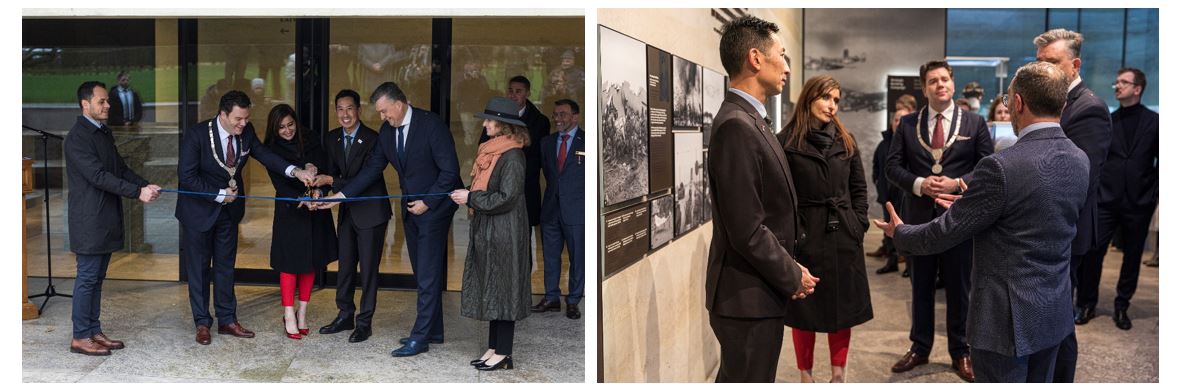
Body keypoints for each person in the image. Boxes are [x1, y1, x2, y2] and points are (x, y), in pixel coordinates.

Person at [876, 61, 1089, 382]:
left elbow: (946, 230)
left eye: (1008, 101)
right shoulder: (1079, 157)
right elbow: (1032, 212)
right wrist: (975, 202)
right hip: (1054, 313)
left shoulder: (1001, 167)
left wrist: (900, 233)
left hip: (1005, 323)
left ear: (1018, 103)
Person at [705, 15, 817, 383]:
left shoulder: (749, 119)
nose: (786, 67)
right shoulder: (738, 125)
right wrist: (792, 274)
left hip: (756, 292)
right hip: (745, 298)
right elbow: (747, 228)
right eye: (781, 56)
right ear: (755, 58)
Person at [318, 82, 462, 357]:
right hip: (411, 208)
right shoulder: (387, 132)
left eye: (385, 111)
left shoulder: (431, 125)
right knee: (423, 272)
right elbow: (373, 169)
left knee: (429, 273)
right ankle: (434, 330)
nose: (382, 117)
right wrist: (341, 196)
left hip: (434, 209)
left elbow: (450, 171)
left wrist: (428, 202)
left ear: (399, 103)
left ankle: (420, 338)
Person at [175, 90, 317, 345]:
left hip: (229, 212)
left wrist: (294, 170)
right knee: (198, 270)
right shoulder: (197, 135)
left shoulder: (246, 132)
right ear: (223, 115)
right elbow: (186, 177)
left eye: (246, 118)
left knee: (225, 266)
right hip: (198, 213)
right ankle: (202, 323)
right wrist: (219, 194)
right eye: (238, 119)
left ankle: (227, 319)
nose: (244, 124)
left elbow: (265, 155)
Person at [884, 60, 993, 382]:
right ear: (924, 87)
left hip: (959, 219)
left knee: (961, 289)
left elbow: (988, 165)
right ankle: (920, 347)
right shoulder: (906, 124)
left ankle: (961, 351)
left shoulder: (975, 122)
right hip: (918, 218)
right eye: (933, 81)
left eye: (944, 79)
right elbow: (892, 167)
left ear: (953, 83)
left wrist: (957, 183)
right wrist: (919, 183)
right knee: (920, 287)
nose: (940, 85)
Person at [777, 75, 872, 383]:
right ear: (809, 98)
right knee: (805, 309)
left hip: (843, 234)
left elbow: (859, 188)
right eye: (826, 98)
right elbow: (781, 197)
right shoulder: (786, 141)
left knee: (842, 308)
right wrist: (792, 236)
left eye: (836, 100)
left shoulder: (846, 140)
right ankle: (806, 375)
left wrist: (858, 224)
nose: (832, 105)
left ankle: (838, 375)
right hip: (806, 237)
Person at [1034, 28, 1112, 383]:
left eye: (1051, 63)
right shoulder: (1050, 100)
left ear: (1074, 64)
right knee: (1050, 317)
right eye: (1039, 63)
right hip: (1045, 229)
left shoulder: (1089, 108)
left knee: (1060, 321)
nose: (1042, 70)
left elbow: (1079, 179)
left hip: (1066, 231)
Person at [63, 81, 161, 356]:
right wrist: (136, 192)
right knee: (88, 277)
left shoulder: (101, 132)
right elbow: (98, 176)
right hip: (89, 220)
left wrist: (145, 184)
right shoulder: (78, 138)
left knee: (96, 278)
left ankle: (93, 330)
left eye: (107, 101)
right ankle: (80, 336)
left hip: (104, 216)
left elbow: (119, 168)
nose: (108, 106)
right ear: (85, 104)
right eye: (102, 101)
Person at [449, 96, 534, 371]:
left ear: (504, 126)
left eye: (489, 120)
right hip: (491, 230)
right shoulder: (493, 151)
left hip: (505, 233)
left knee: (504, 289)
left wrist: (471, 198)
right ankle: (494, 347)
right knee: (494, 288)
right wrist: (471, 197)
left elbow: (507, 197)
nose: (484, 124)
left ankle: (504, 353)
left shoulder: (513, 155)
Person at [1075, 67, 1158, 330]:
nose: (1117, 86)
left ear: (1137, 88)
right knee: (1092, 254)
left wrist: (1153, 195)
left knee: (1132, 256)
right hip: (1106, 199)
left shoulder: (1154, 122)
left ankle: (1122, 306)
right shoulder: (1108, 120)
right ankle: (1086, 303)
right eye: (1116, 81)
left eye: (1124, 82)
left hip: (1139, 201)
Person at [315, 89, 393, 343]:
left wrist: (332, 182)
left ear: (358, 110)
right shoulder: (332, 138)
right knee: (346, 266)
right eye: (340, 109)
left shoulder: (374, 139)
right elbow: (330, 172)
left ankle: (364, 322)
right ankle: (345, 314)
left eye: (349, 108)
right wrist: (320, 190)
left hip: (371, 213)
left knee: (368, 270)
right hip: (347, 213)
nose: (345, 114)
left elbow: (365, 179)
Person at [260, 104, 337, 340]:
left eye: (290, 124)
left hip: (315, 208)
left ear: (296, 121)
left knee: (311, 262)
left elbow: (324, 169)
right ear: (275, 129)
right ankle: (288, 314)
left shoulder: (311, 138)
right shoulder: (271, 149)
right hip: (290, 210)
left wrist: (317, 191)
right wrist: (300, 198)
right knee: (290, 263)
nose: (287, 130)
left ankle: (302, 312)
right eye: (281, 127)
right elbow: (280, 184)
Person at [484, 76, 550, 277]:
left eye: (518, 91)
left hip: (524, 189)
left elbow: (534, 158)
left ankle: (521, 289)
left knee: (521, 243)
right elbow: (484, 147)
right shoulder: (496, 118)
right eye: (511, 90)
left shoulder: (539, 121)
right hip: (496, 190)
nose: (514, 95)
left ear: (528, 93)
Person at [534, 99, 585, 319]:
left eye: (563, 114)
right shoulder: (546, 142)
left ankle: (573, 300)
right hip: (551, 210)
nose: (558, 119)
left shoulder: (588, 141)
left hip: (577, 210)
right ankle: (551, 297)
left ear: (575, 117)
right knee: (551, 256)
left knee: (578, 258)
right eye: (555, 115)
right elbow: (549, 174)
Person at [871, 104, 913, 275]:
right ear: (892, 123)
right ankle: (892, 261)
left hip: (906, 197)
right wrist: (878, 183)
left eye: (903, 120)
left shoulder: (913, 145)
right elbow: (876, 167)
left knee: (908, 230)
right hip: (887, 195)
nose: (899, 123)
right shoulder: (883, 145)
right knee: (889, 231)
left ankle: (910, 266)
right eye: (896, 120)